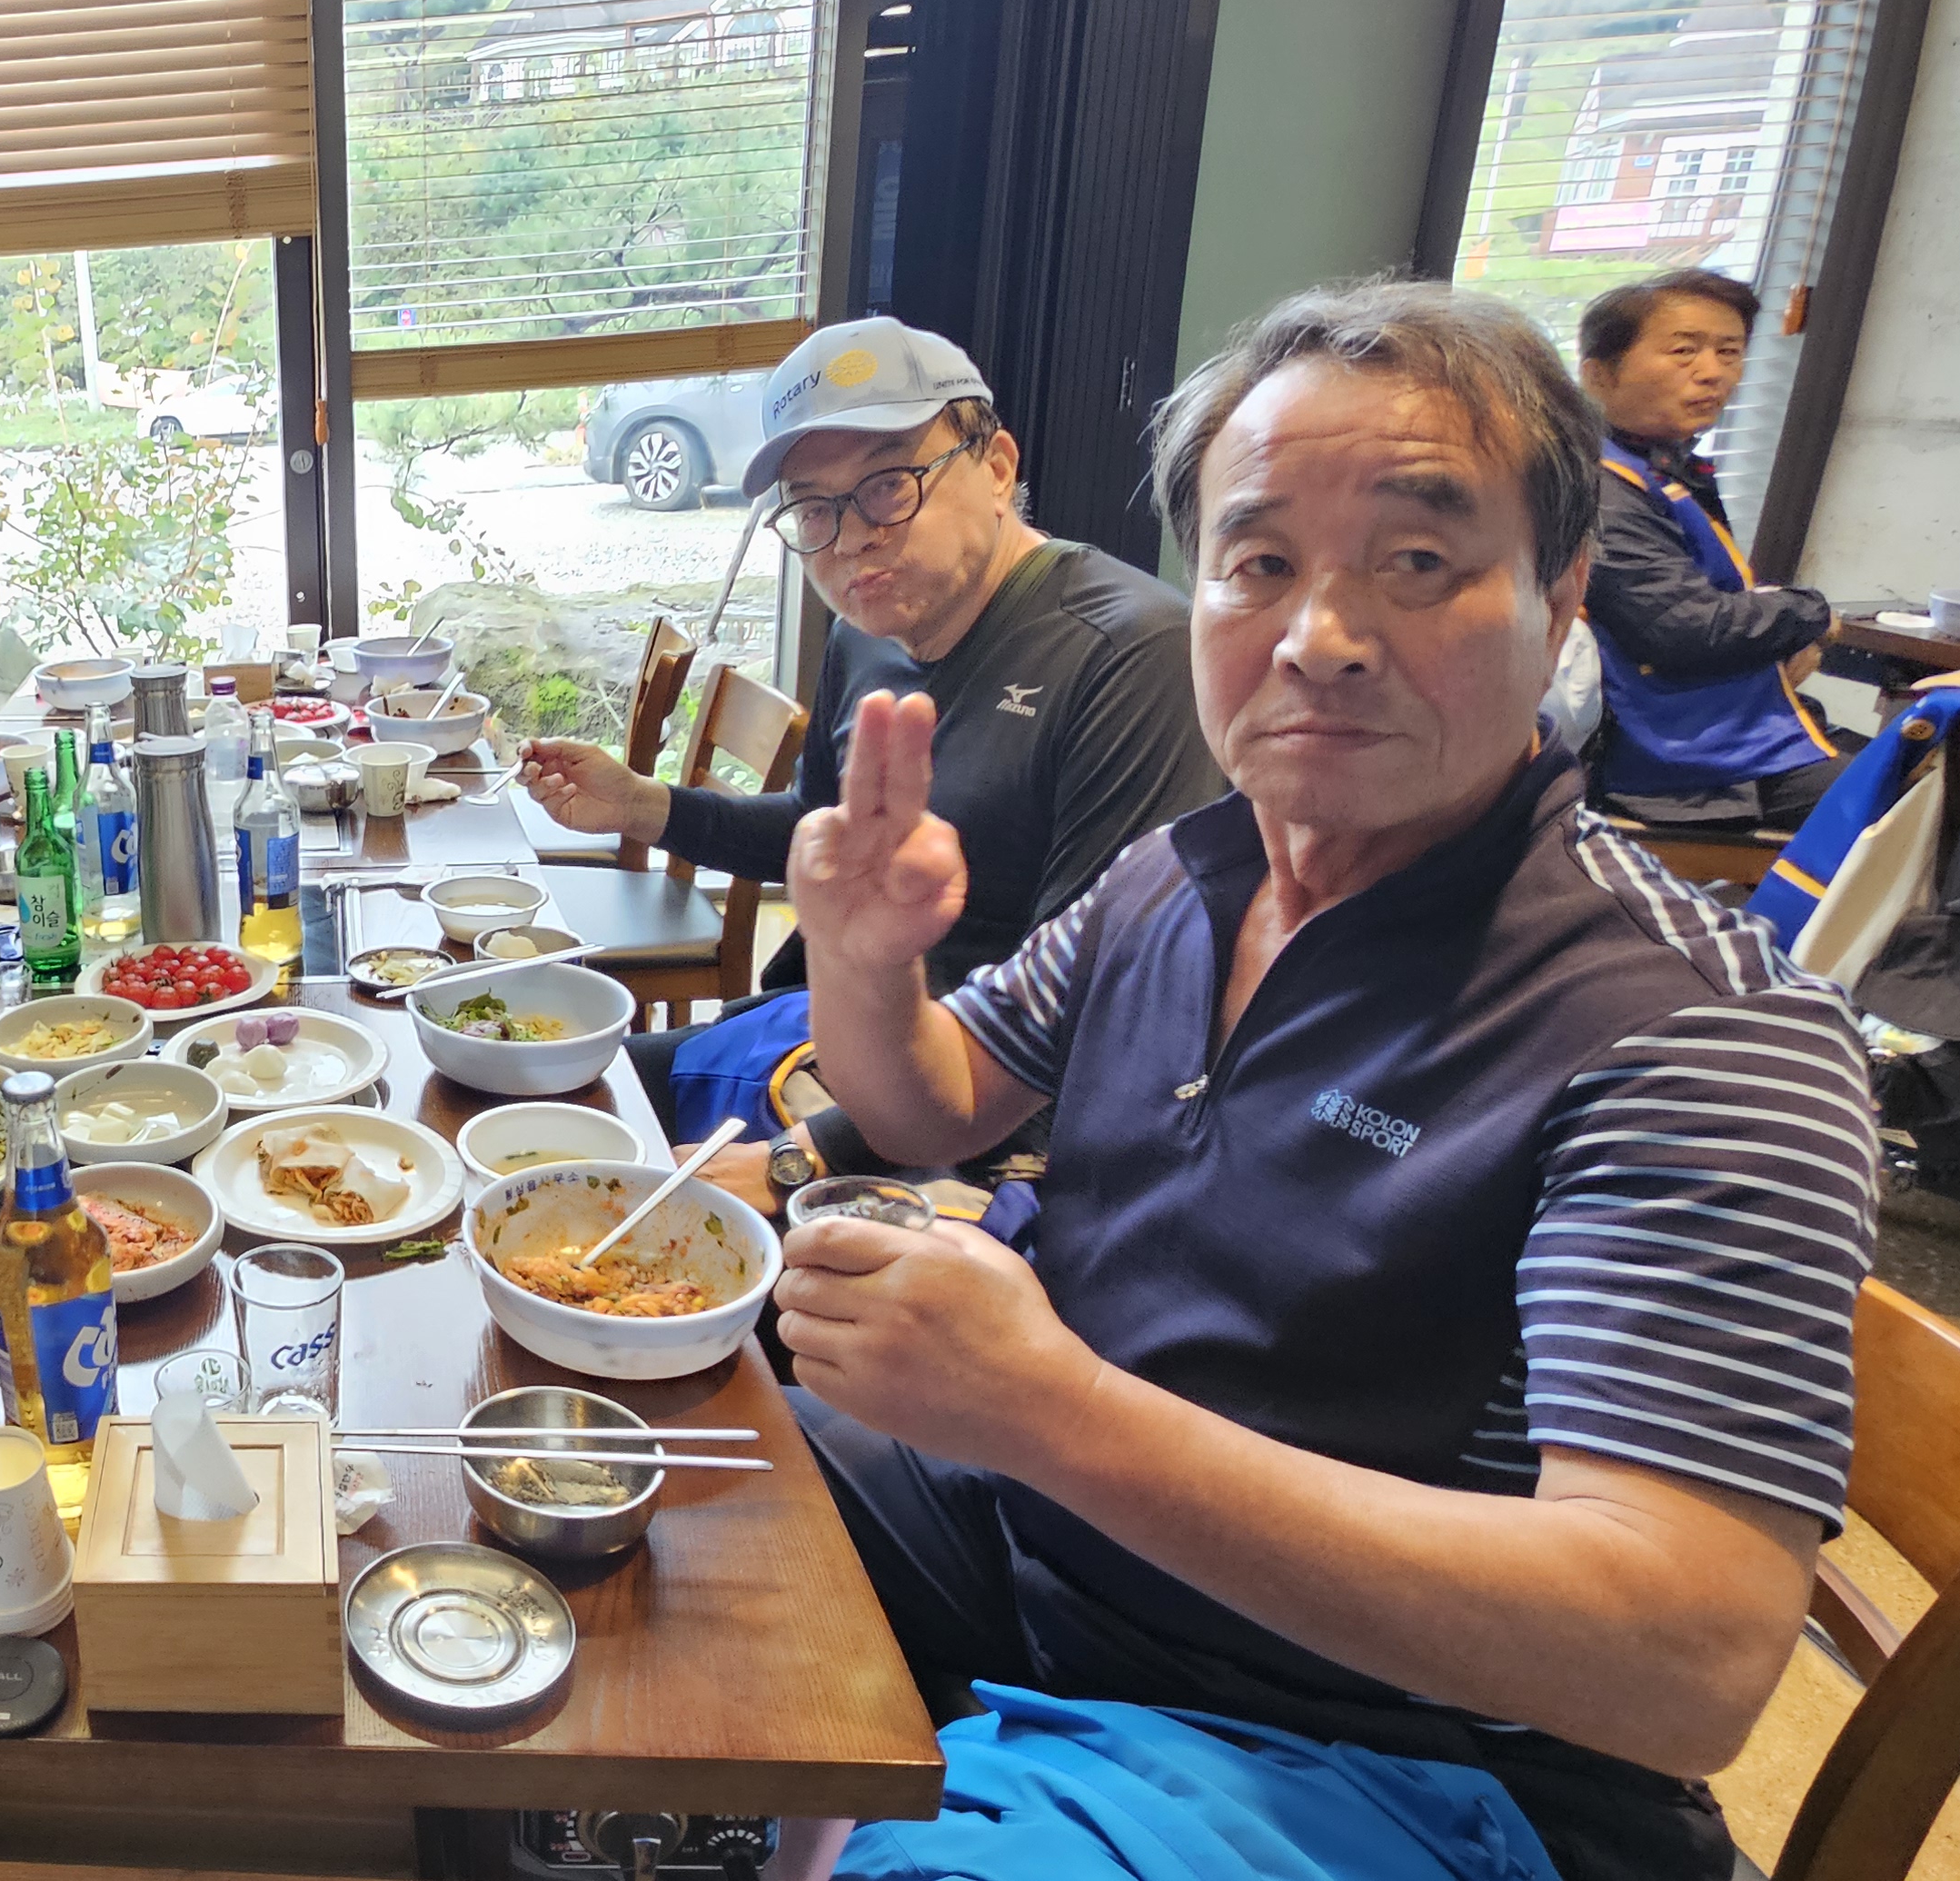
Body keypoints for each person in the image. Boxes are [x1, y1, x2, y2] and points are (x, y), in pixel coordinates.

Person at [737, 282, 1875, 1881]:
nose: (1320, 638)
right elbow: (933, 1103)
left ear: (1560, 602)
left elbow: (1680, 1664)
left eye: (1417, 563)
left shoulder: (1697, 1035)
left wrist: (1048, 1409)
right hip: (1068, 1564)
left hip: (1394, 1760)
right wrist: (867, 964)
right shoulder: (1181, 873)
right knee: (652, 1469)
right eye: (1260, 563)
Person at [515, 316, 1221, 1133]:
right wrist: (644, 806)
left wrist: (812, 1160)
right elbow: (818, 831)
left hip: (967, 1125)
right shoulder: (866, 636)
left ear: (997, 468)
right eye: (813, 508)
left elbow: (1096, 1014)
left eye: (889, 484)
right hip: (821, 1036)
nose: (850, 539)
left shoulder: (1132, 658)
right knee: (514, 1093)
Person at [1577, 267, 1849, 826]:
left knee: (1926, 759)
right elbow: (1687, 631)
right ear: (1597, 373)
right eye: (1684, 351)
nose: (1713, 372)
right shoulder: (1598, 482)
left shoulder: (1661, 466)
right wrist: (1811, 613)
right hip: (1665, 761)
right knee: (1924, 797)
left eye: (1729, 352)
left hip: (1717, 728)